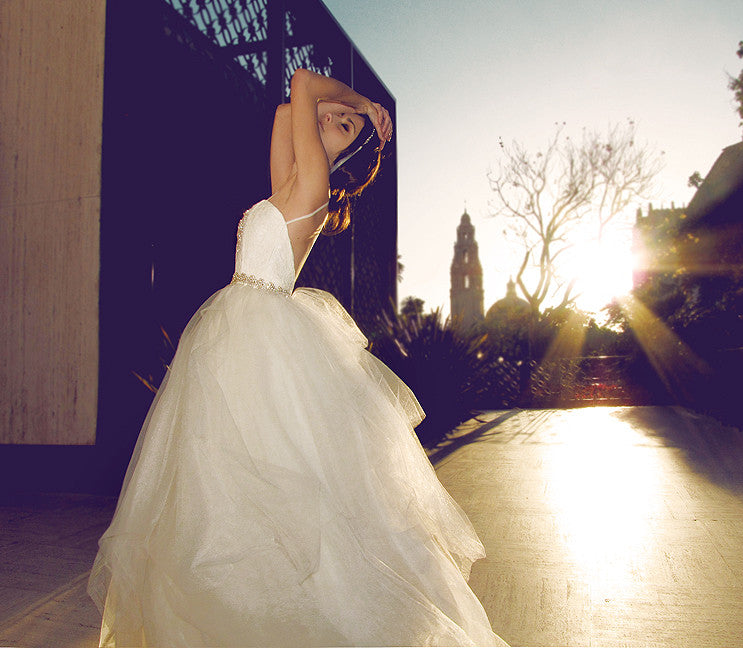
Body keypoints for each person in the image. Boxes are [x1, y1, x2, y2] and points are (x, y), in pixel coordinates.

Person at [87, 68, 506, 647]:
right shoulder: (292, 183)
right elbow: (290, 110)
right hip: (237, 331)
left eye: (347, 125)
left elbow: (304, 81)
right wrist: (345, 112)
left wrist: (365, 103)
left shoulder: (313, 185)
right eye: (337, 115)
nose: (335, 116)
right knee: (229, 479)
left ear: (348, 153)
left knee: (263, 475)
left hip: (258, 336)